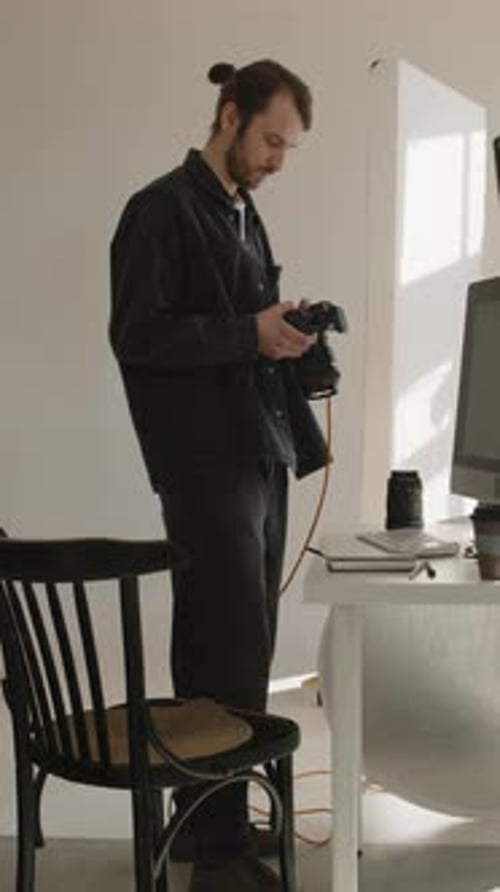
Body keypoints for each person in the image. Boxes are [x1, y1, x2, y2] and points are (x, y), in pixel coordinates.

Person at [109, 59, 328, 892]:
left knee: (246, 650)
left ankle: (220, 833)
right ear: (229, 116)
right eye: (271, 139)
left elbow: (239, 326)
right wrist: (248, 332)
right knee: (221, 647)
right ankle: (214, 853)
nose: (278, 158)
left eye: (289, 147)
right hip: (204, 459)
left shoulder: (243, 214)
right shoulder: (159, 210)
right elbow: (139, 336)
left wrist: (284, 331)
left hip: (257, 449)